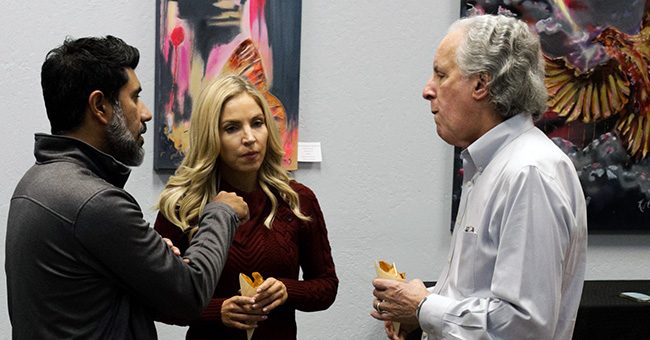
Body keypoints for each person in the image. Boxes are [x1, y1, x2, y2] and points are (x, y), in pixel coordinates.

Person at [5, 35, 249, 339]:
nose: (145, 113)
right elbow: (189, 294)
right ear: (100, 107)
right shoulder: (94, 202)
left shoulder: (35, 182)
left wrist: (151, 257)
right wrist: (221, 212)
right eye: (134, 97)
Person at [371, 14, 588, 340]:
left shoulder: (528, 173)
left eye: (441, 74)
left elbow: (523, 325)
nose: (427, 90)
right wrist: (419, 307)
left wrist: (423, 307)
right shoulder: (489, 166)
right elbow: (481, 295)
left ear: (481, 85)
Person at [154, 74, 338, 339]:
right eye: (232, 128)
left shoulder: (297, 200)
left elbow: (326, 287)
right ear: (211, 136)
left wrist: (287, 290)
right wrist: (217, 310)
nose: (250, 138)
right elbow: (156, 299)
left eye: (257, 123)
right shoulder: (183, 205)